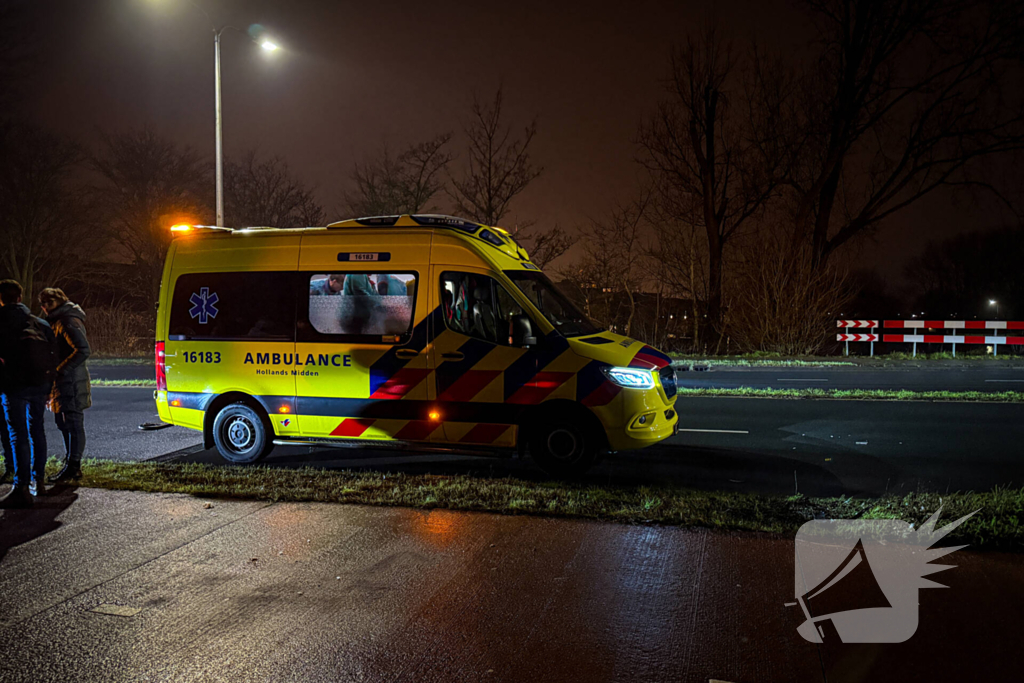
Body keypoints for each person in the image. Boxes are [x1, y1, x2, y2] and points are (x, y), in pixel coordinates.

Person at [0, 280, 55, 508]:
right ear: (20, 297)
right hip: (40, 383)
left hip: (13, 385)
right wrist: (49, 385)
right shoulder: (40, 323)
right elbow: (53, 355)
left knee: (17, 434)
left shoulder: (1, 322)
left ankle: (20, 487)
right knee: (37, 429)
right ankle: (38, 481)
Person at [39, 288, 92, 483]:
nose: (44, 308)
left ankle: (73, 465)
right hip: (62, 381)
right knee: (62, 422)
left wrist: (61, 370)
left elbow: (82, 350)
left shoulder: (67, 321)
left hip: (70, 381)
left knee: (73, 422)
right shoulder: (59, 320)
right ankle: (70, 461)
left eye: (47, 303)